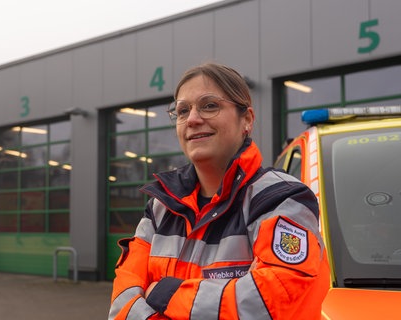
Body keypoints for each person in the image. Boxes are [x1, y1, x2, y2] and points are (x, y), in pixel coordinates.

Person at [108, 62, 330, 319]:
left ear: (246, 119)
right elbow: (122, 304)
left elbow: (271, 304)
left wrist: (166, 295)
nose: (192, 119)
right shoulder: (160, 208)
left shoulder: (282, 199)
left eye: (209, 105)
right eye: (182, 111)